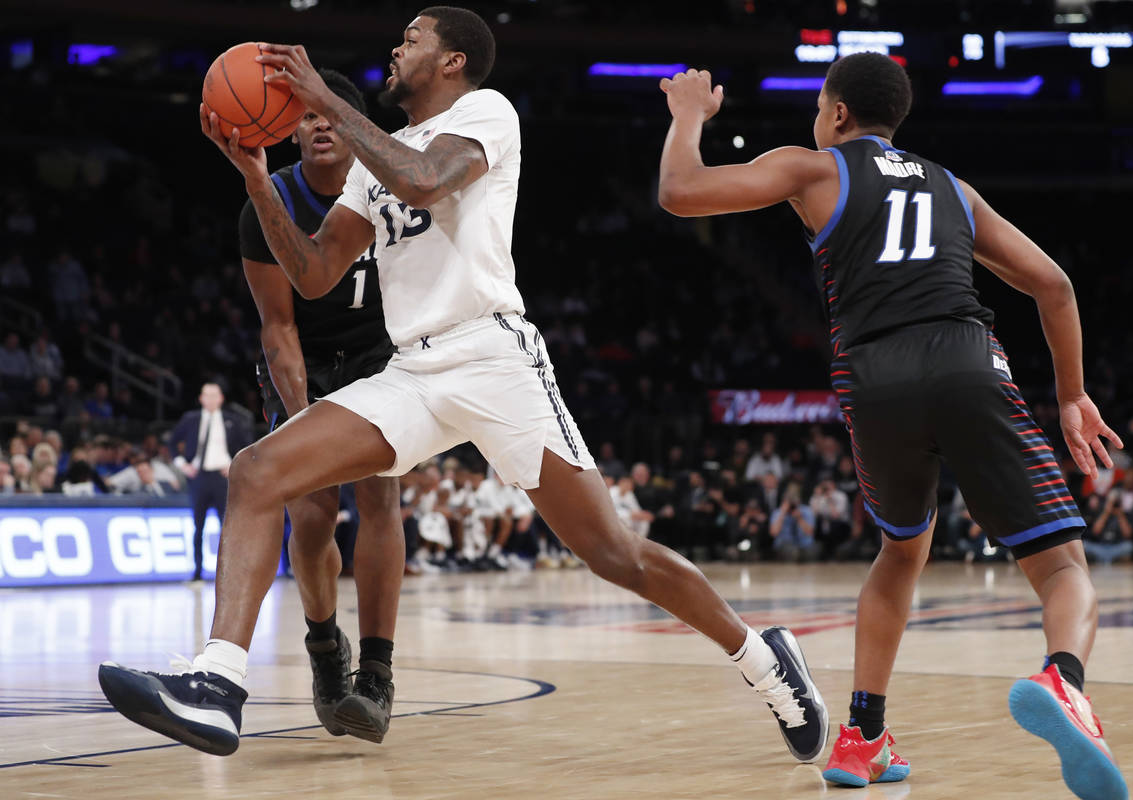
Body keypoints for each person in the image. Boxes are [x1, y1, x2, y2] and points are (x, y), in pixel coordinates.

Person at [98, 6, 828, 764]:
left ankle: (765, 660)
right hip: (411, 369)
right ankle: (218, 684)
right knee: (257, 472)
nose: (396, 46)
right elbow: (314, 277)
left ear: (451, 61)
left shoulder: (486, 111)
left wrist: (323, 100)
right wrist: (257, 182)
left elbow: (423, 182)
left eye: (412, 38)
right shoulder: (369, 158)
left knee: (612, 553)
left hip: (491, 357)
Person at [658, 54, 1126, 799]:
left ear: (838, 114)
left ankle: (861, 737)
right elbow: (1054, 285)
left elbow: (681, 192)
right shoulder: (953, 188)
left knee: (900, 552)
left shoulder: (814, 170)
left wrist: (688, 117)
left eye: (818, 106)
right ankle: (1064, 681)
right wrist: (1071, 394)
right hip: (966, 359)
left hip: (872, 377)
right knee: (1062, 565)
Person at [239, 69, 406, 743]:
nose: (316, 125)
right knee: (311, 515)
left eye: (329, 115)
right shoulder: (268, 202)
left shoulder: (395, 188)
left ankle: (377, 676)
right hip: (304, 360)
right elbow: (278, 329)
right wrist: (307, 419)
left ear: (354, 125)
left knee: (380, 499)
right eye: (305, 117)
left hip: (381, 357)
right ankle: (321, 645)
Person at [168, 382, 252, 581]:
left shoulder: (232, 420)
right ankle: (197, 573)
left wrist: (232, 464)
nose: (211, 399)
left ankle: (230, 573)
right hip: (199, 477)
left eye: (215, 395)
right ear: (201, 398)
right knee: (198, 526)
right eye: (207, 395)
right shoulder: (191, 419)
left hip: (222, 479)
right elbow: (172, 442)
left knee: (228, 527)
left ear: (221, 398)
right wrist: (182, 464)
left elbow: (247, 446)